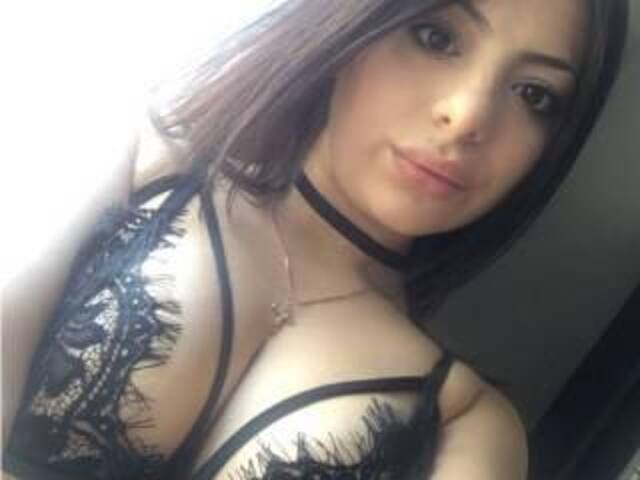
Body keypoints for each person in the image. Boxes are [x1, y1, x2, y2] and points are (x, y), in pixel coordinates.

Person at [2, 0, 630, 478]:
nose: (467, 116)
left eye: (534, 94)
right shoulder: (142, 155)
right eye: (436, 37)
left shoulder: (467, 424)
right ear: (357, 23)